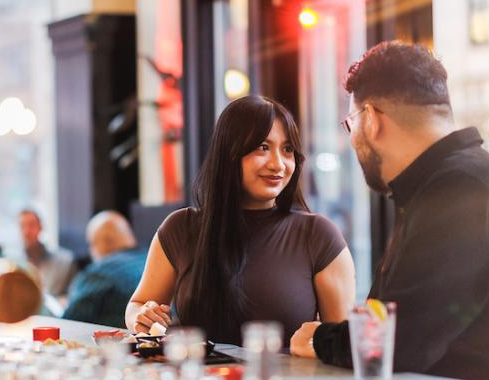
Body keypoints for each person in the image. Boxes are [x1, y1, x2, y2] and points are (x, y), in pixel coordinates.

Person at [289, 41, 489, 380]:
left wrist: (321, 338)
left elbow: (403, 341)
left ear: (373, 120)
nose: (353, 139)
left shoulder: (460, 189)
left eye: (352, 124)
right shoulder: (463, 180)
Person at [127, 95, 355, 345]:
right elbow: (138, 304)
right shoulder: (181, 228)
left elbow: (342, 346)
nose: (278, 164)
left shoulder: (318, 235)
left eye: (287, 149)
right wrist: (142, 316)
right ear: (229, 153)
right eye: (262, 147)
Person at [63, 211, 147, 328]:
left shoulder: (99, 274)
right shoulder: (151, 260)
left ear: (101, 244)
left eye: (91, 244)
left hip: (117, 344)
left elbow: (68, 322)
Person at [19, 209, 76, 300]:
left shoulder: (64, 262)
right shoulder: (13, 265)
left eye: (31, 225)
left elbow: (73, 295)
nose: (27, 232)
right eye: (22, 226)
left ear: (40, 227)